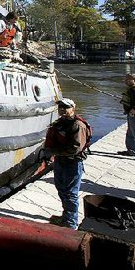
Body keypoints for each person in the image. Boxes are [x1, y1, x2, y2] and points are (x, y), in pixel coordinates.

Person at [42, 97, 91, 229]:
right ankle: (66, 216)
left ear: (73, 108)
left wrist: (53, 151)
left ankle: (71, 223)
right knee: (61, 189)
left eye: (66, 107)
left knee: (70, 193)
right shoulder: (61, 123)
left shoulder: (77, 125)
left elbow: (75, 148)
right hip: (60, 162)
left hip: (72, 164)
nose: (62, 109)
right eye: (60, 107)